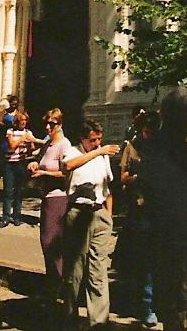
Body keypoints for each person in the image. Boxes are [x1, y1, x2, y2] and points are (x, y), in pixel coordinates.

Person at [140, 86, 187, 331]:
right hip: (182, 257)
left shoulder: (161, 148)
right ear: (181, 115)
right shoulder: (171, 152)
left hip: (180, 254)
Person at [60, 121, 120, 329]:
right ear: (82, 139)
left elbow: (108, 187)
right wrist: (99, 151)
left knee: (98, 271)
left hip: (99, 213)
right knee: (75, 271)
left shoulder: (102, 156)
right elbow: (67, 166)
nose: (96, 143)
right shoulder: (72, 152)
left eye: (98, 140)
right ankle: (69, 316)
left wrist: (108, 215)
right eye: (92, 140)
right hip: (78, 214)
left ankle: (98, 322)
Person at [121, 110, 161, 327]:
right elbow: (123, 178)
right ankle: (145, 307)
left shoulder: (162, 148)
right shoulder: (132, 147)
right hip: (140, 210)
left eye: (152, 130)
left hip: (160, 211)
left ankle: (156, 303)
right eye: (146, 131)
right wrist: (138, 176)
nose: (149, 135)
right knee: (143, 261)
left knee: (158, 258)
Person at [27, 108, 71, 288]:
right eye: (46, 123)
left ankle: (60, 282)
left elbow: (67, 173)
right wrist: (34, 164)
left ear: (60, 125)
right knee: (46, 241)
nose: (47, 127)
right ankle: (53, 280)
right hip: (46, 197)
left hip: (58, 198)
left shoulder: (64, 145)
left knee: (52, 241)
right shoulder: (48, 144)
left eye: (52, 124)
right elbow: (39, 160)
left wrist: (45, 172)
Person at [0, 108, 38, 227]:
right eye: (22, 120)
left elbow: (31, 149)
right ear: (17, 121)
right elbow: (12, 145)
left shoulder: (28, 132)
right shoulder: (10, 131)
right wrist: (22, 139)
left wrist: (30, 144)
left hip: (20, 163)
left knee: (19, 190)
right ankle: (6, 217)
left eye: (25, 120)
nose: (24, 122)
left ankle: (17, 216)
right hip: (9, 164)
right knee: (8, 191)